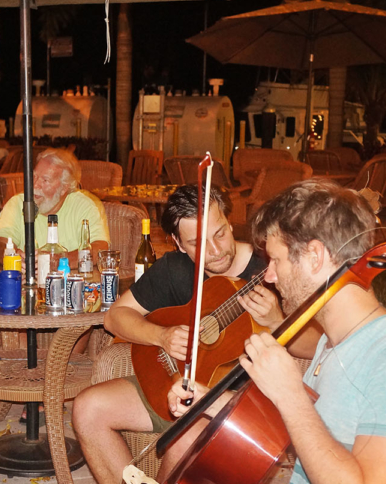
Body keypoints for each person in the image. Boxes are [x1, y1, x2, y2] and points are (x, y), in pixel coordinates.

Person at [168, 179, 386, 484]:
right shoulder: (333, 343)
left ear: (315, 257)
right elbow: (312, 432)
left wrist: (290, 393)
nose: (271, 277)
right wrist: (208, 400)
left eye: (276, 259)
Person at [73, 184, 288, 484]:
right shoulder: (175, 269)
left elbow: (318, 342)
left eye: (220, 233)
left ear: (228, 219)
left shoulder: (271, 268)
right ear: (177, 242)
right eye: (197, 243)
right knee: (87, 408)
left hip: (234, 405)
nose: (214, 251)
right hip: (175, 385)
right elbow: (114, 317)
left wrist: (277, 320)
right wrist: (161, 336)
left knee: (182, 443)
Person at [0, 148, 109, 267]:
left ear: (64, 188)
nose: (34, 185)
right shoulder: (17, 203)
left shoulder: (83, 206)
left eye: (45, 180)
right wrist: (13, 258)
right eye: (34, 176)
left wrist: (59, 261)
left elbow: (99, 249)